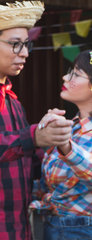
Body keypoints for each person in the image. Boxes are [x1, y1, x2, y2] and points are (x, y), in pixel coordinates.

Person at [0, 1, 75, 240]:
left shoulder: (13, 101)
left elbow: (25, 155)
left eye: (26, 44)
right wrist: (34, 136)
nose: (25, 53)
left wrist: (54, 141)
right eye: (15, 44)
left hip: (18, 227)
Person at [30, 50, 92, 239]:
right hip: (55, 226)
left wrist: (65, 144)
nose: (66, 77)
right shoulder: (71, 126)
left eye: (75, 74)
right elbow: (50, 184)